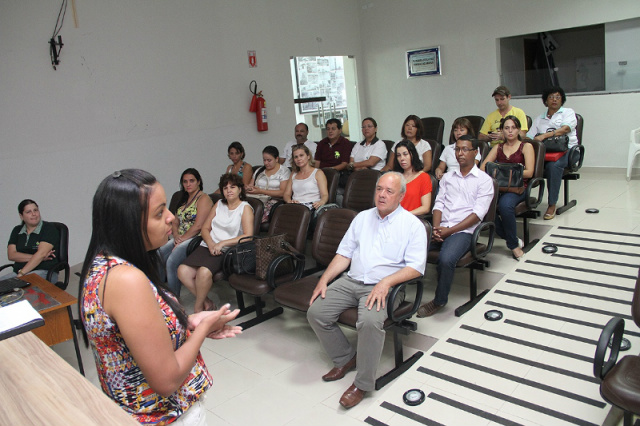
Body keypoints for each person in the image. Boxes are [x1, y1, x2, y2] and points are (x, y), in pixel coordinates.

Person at [79, 169, 242, 425]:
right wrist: (203, 330)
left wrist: (188, 323)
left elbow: (139, 333)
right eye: (159, 213)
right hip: (163, 416)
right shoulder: (126, 280)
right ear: (128, 224)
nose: (170, 218)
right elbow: (166, 380)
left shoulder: (104, 265)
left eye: (167, 208)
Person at [307, 172, 427, 409]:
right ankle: (345, 357)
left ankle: (362, 383)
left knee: (370, 322)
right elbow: (344, 254)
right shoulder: (362, 217)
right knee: (316, 312)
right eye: (379, 189)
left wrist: (386, 282)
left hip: (385, 286)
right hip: (351, 280)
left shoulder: (413, 225)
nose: (382, 195)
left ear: (401, 195)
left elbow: (416, 267)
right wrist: (324, 280)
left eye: (389, 191)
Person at [417, 138, 494, 317]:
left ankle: (439, 301)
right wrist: (436, 228)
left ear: (475, 152)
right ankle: (403, 290)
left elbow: (477, 215)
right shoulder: (448, 177)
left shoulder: (484, 180)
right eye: (457, 150)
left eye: (465, 150)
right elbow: (439, 204)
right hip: (442, 227)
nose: (460, 153)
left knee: (446, 259)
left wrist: (449, 231)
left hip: (464, 232)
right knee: (412, 246)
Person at [178, 173, 254, 312]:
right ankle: (207, 302)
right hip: (208, 245)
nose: (229, 190)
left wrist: (221, 244)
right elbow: (206, 228)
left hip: (227, 250)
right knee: (182, 271)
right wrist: (211, 243)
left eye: (233, 187)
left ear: (240, 189)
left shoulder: (245, 208)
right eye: (225, 188)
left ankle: (198, 308)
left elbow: (248, 236)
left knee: (203, 272)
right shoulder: (219, 204)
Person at [481, 116, 534, 260]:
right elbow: (483, 167)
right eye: (506, 128)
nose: (510, 131)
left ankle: (513, 246)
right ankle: (513, 239)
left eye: (513, 128)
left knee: (505, 206)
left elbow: (529, 172)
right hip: (500, 188)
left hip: (518, 188)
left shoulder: (526, 146)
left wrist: (503, 172)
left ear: (518, 130)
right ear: (502, 131)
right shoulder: (498, 147)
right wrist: (511, 172)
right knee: (484, 205)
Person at [157, 169, 213, 297]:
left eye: (192, 181)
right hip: (181, 237)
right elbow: (175, 221)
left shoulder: (203, 199)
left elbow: (198, 226)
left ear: (198, 182)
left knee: (171, 261)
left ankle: (174, 299)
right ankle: (160, 293)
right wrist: (176, 236)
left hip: (196, 238)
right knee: (158, 255)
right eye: (185, 182)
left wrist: (181, 240)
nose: (188, 184)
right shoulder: (184, 198)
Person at [526, 86, 579, 220]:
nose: (554, 100)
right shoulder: (539, 119)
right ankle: (523, 199)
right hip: (546, 153)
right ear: (545, 101)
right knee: (524, 161)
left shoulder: (567, 112)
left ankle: (552, 204)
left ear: (562, 100)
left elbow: (565, 129)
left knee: (553, 167)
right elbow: (530, 137)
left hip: (569, 151)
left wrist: (544, 136)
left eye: (557, 97)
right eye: (551, 97)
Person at [1, 199, 59, 282]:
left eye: (35, 210)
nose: (34, 214)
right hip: (18, 272)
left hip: (44, 271)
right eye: (28, 212)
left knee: (21, 286)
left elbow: (41, 253)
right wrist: (38, 258)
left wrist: (21, 273)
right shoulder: (17, 230)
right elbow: (12, 255)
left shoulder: (49, 228)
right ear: (21, 216)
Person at [246, 145, 291, 223]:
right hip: (257, 199)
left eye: (269, 160)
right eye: (264, 160)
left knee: (255, 214)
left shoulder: (284, 171)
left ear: (277, 159)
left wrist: (261, 191)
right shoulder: (259, 170)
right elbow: (251, 185)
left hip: (273, 201)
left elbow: (283, 192)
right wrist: (249, 188)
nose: (266, 163)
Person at [284, 144, 329, 211]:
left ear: (308, 156)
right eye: (296, 157)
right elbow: (286, 194)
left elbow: (325, 195)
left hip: (312, 207)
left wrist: (321, 202)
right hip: (295, 206)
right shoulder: (293, 173)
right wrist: (290, 201)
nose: (298, 159)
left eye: (301, 155)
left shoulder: (318, 173)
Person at [393, 140, 432, 216]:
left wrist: (404, 215)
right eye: (398, 155)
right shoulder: (395, 177)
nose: (402, 158)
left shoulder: (423, 177)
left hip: (412, 219)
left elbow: (425, 208)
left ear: (413, 155)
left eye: (405, 154)